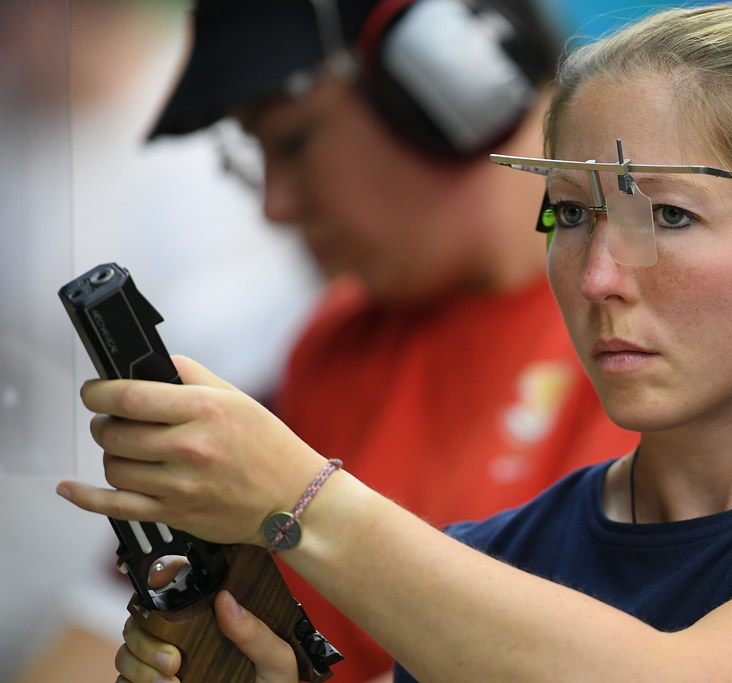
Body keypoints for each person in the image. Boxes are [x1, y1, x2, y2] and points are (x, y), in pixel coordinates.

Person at [60, 2, 732, 682]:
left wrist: (297, 499)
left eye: (671, 216)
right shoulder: (496, 558)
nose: (598, 273)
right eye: (567, 214)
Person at [36, 1, 638, 682]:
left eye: (293, 141)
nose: (275, 205)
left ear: (455, 81)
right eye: (252, 156)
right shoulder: (330, 346)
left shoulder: (660, 341)